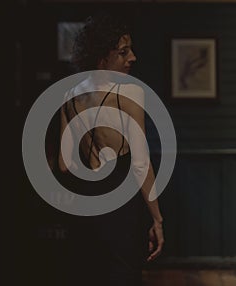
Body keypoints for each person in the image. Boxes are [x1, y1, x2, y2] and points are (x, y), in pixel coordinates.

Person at [56, 13, 164, 286]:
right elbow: (140, 164)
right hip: (119, 204)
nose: (133, 58)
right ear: (102, 56)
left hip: (84, 206)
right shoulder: (128, 93)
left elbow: (64, 164)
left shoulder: (69, 96)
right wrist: (157, 218)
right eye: (123, 52)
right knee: (121, 275)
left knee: (88, 274)